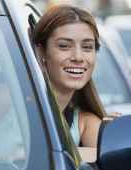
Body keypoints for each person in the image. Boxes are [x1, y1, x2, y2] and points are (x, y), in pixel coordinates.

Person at [33, 5, 103, 148]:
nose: (78, 57)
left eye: (87, 47)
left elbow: (91, 162)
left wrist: (112, 133)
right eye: (64, 46)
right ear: (41, 53)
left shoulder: (85, 124)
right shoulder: (4, 101)